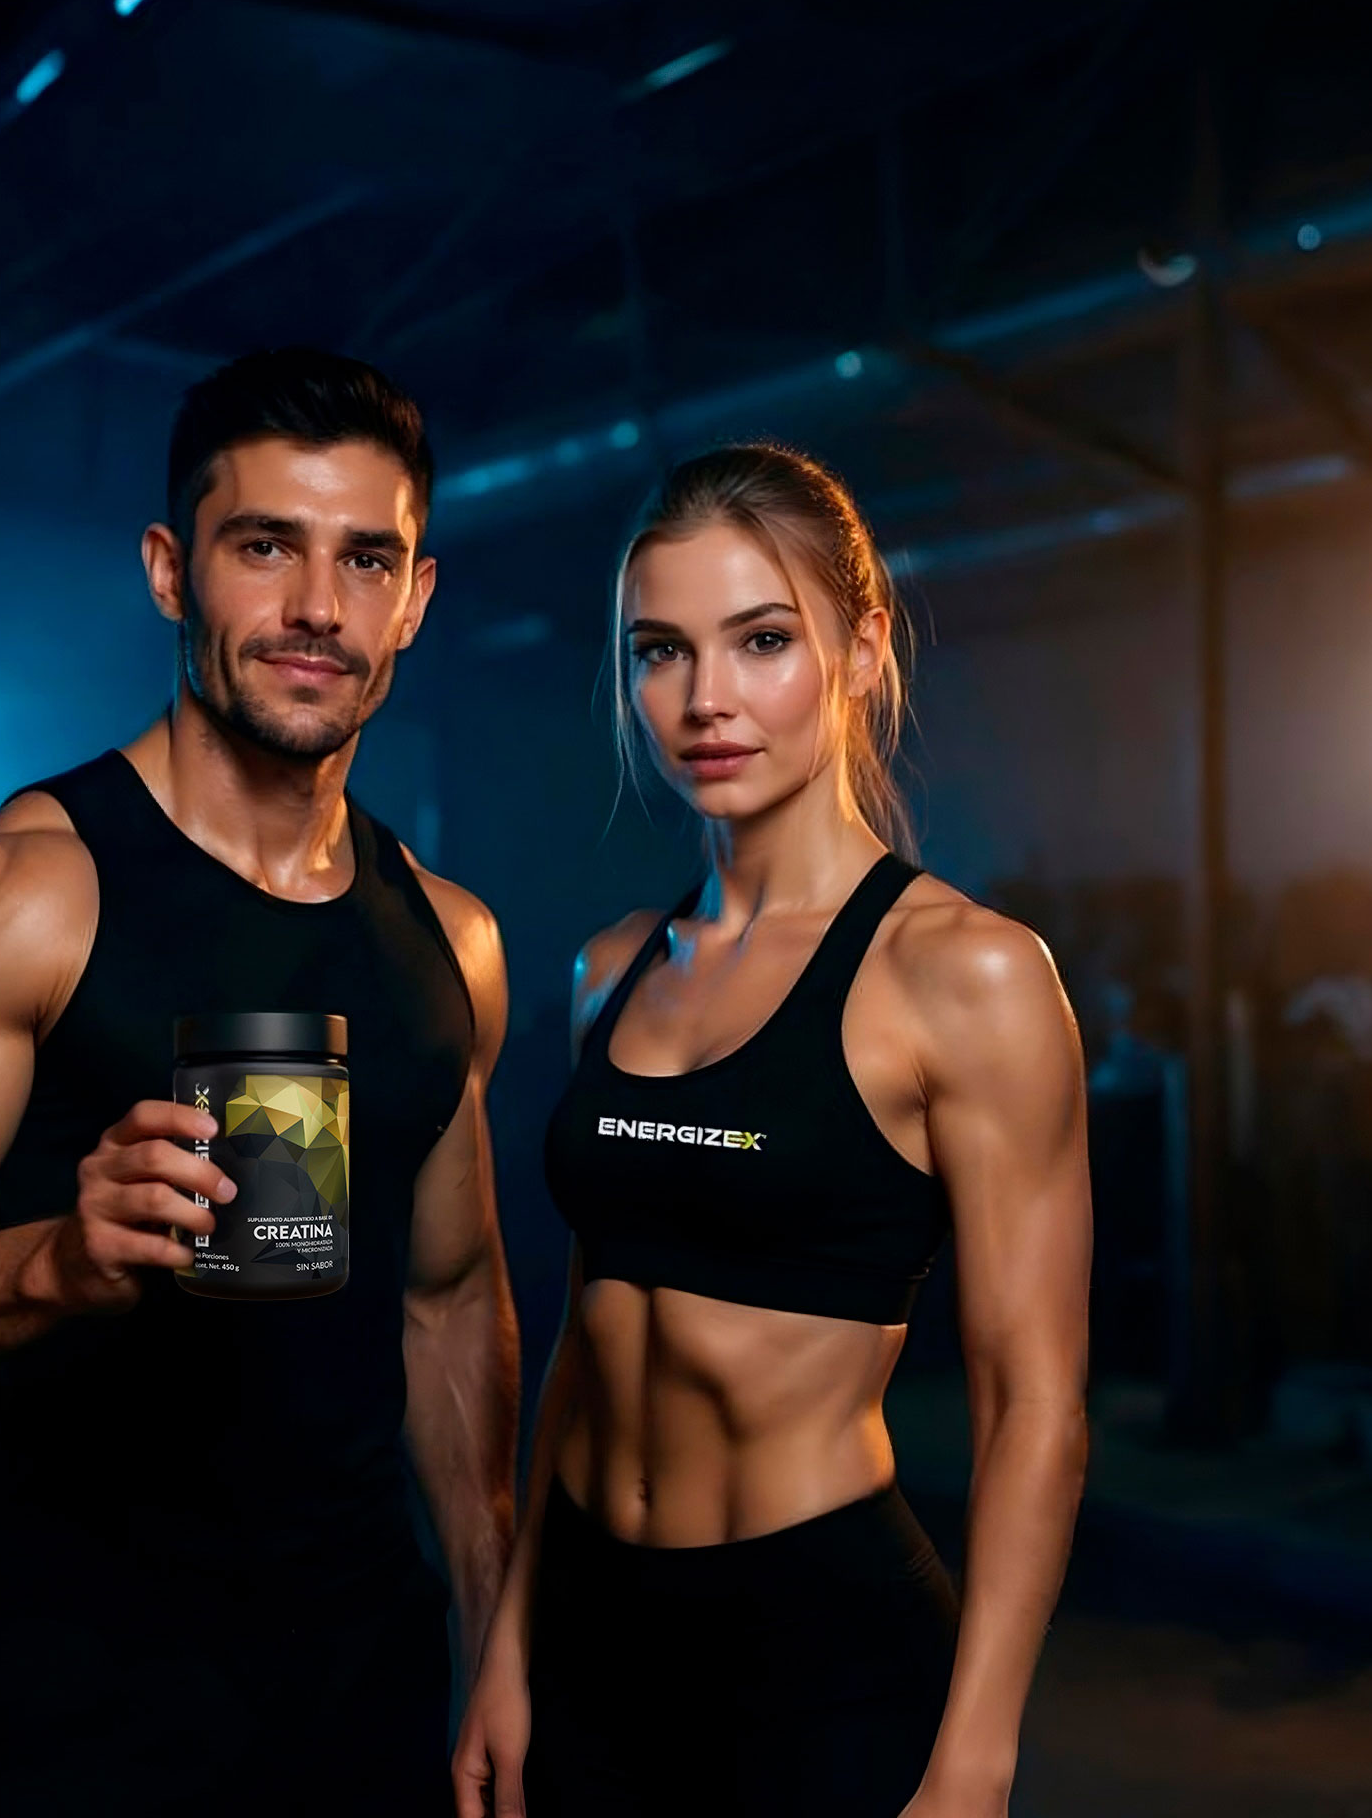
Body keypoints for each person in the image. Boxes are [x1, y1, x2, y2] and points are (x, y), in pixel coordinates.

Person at [0, 349, 519, 1816]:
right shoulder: (11, 893)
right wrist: (52, 1260)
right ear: (171, 571)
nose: (319, 608)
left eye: (366, 559)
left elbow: (448, 1302)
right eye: (265, 547)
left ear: (415, 598)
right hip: (84, 1705)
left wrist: (499, 1629)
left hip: (366, 1689)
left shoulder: (452, 940)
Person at [454, 442, 1090, 1818]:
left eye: (761, 641)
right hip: (588, 1641)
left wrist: (974, 1762)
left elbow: (1033, 1400)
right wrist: (508, 1641)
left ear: (861, 653)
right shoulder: (612, 966)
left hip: (821, 1655)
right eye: (661, 652)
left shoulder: (964, 975)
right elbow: (587, 1335)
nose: (706, 699)